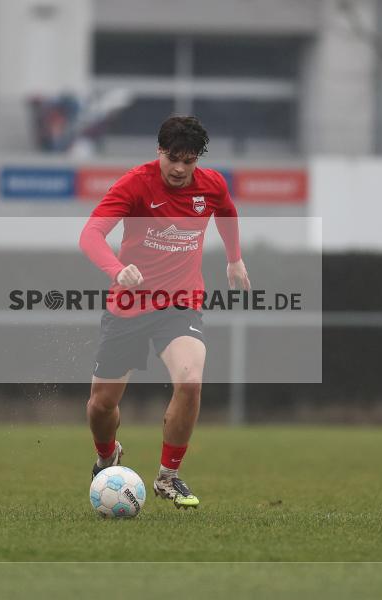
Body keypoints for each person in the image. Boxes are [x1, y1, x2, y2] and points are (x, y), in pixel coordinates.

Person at [79, 116, 250, 509]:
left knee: (191, 379)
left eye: (188, 160)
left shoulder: (211, 185)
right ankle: (107, 457)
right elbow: (90, 234)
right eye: (172, 157)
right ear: (159, 151)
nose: (178, 168)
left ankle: (168, 476)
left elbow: (226, 211)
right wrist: (117, 270)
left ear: (197, 160)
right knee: (101, 405)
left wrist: (234, 259)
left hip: (180, 304)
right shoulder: (135, 184)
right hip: (128, 305)